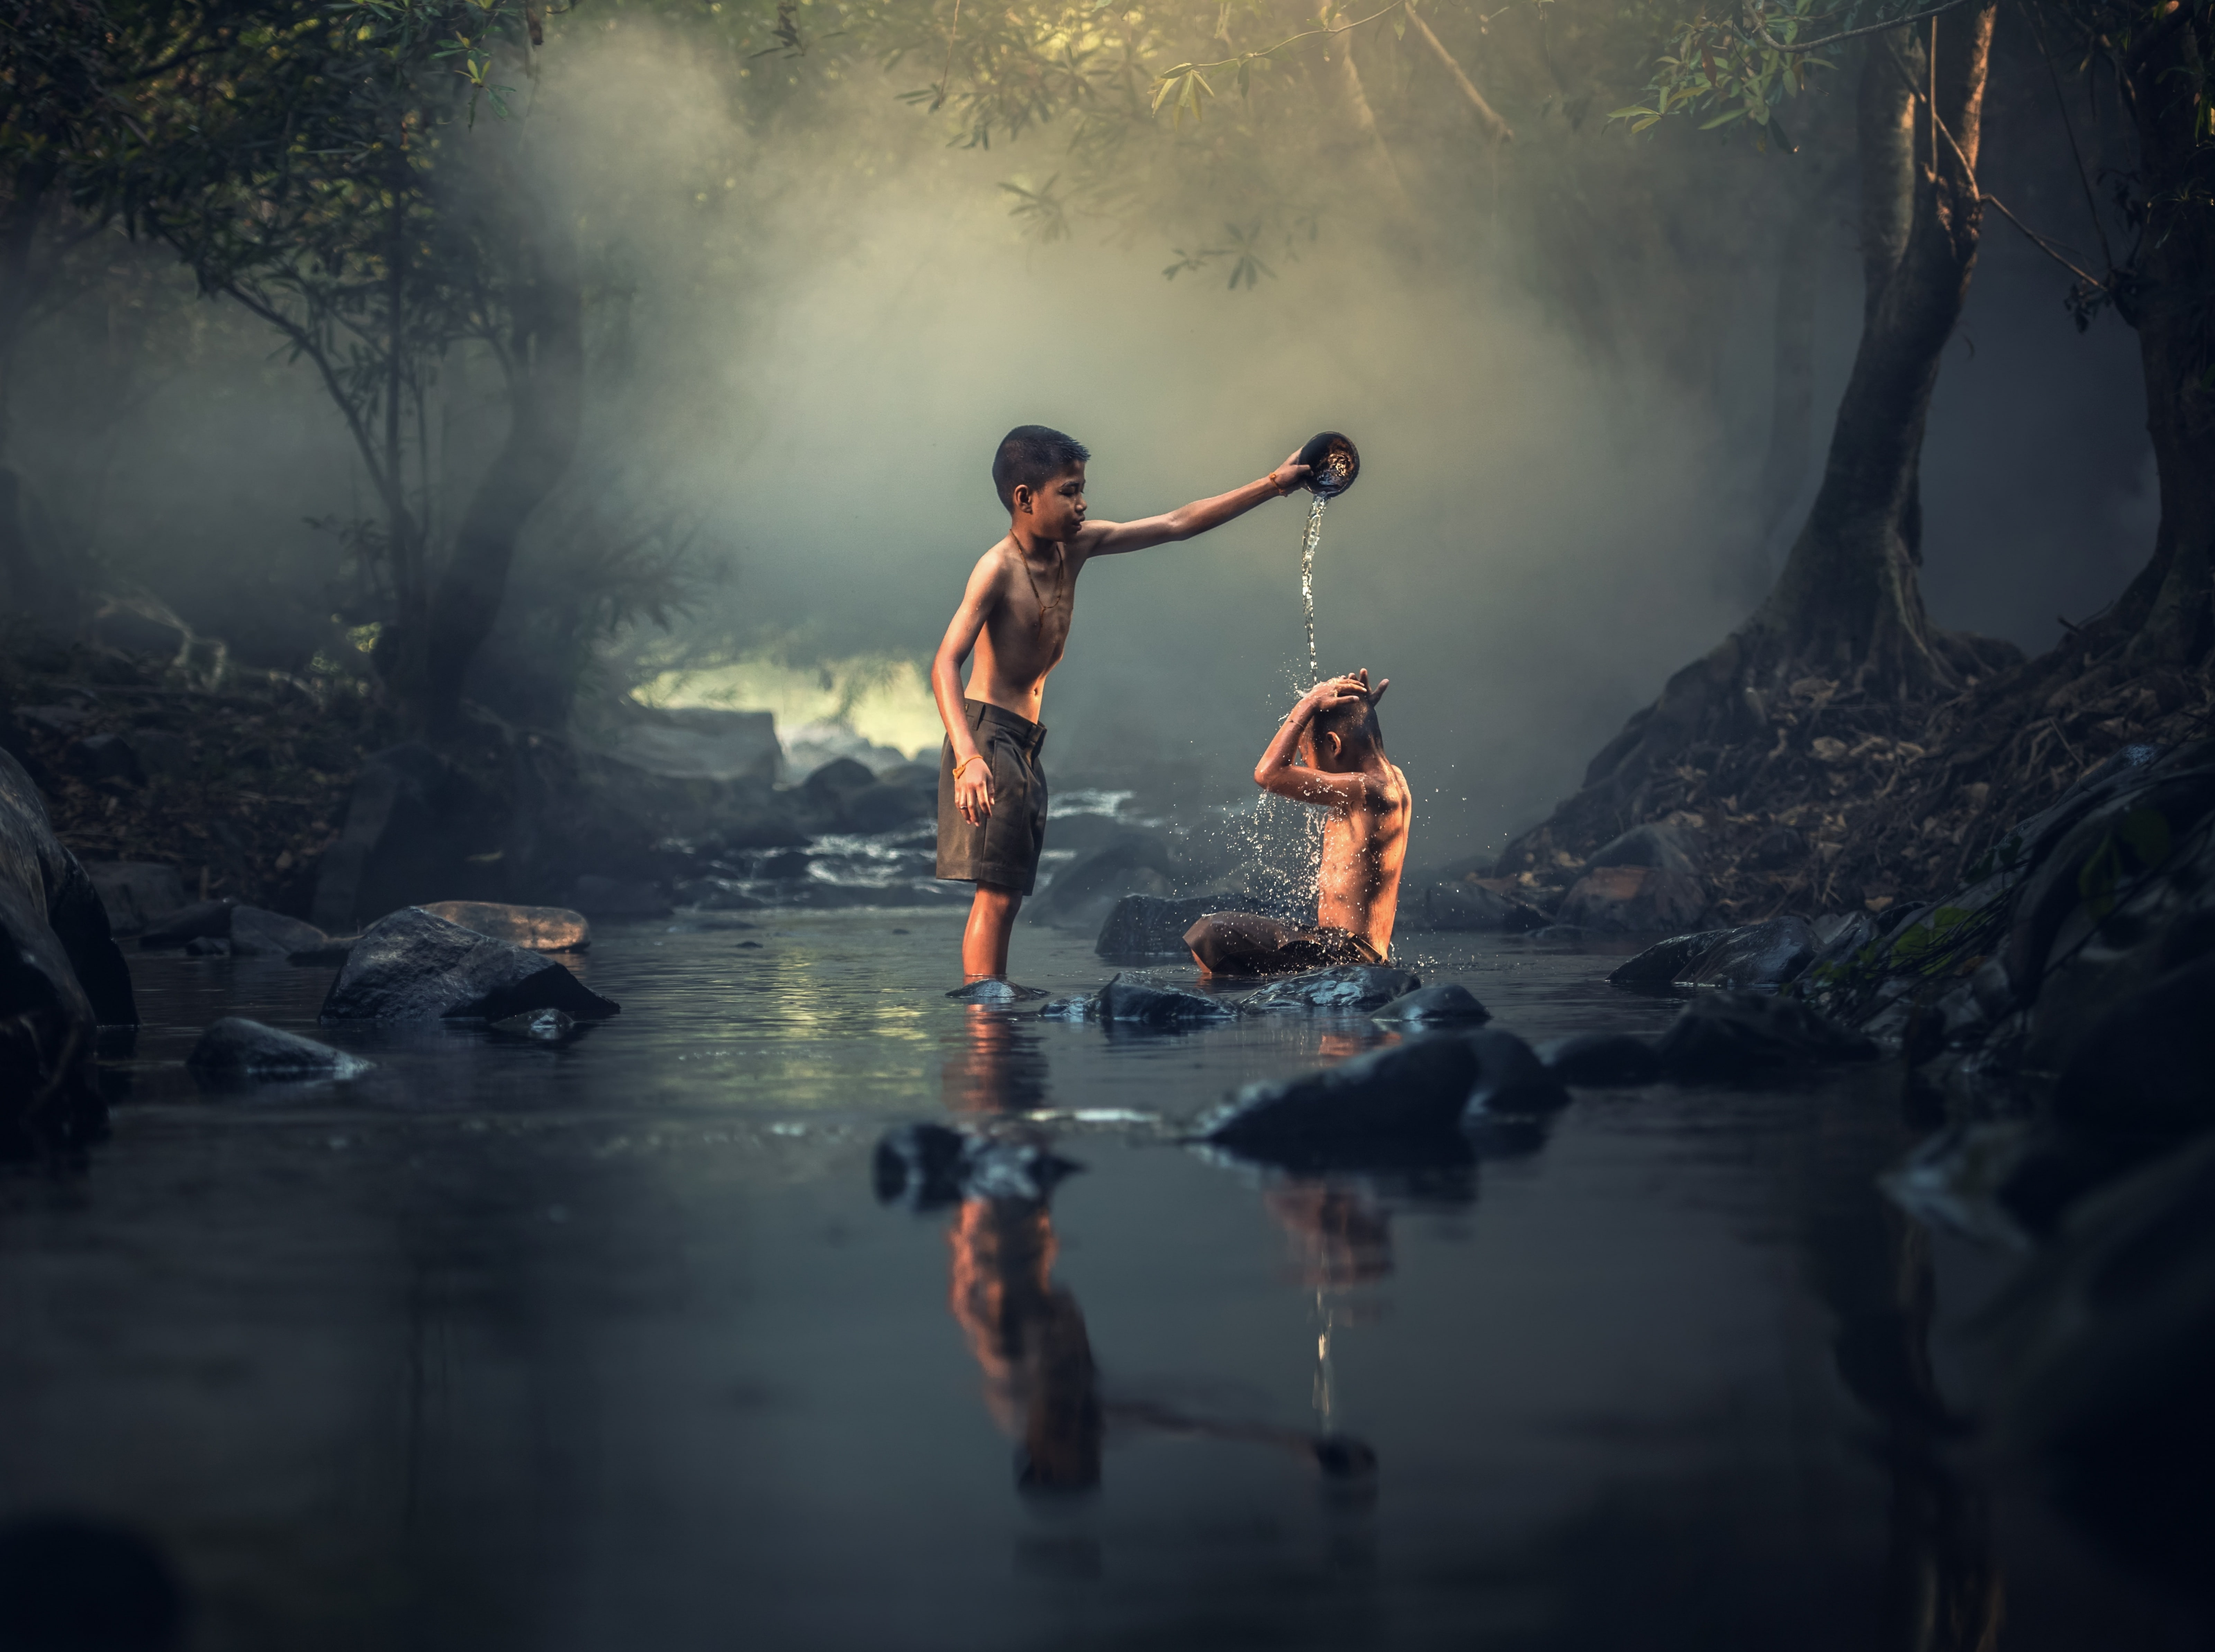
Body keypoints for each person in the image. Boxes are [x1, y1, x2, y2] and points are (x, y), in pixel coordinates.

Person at [932, 425, 1314, 980]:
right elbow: (945, 662)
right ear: (1024, 498)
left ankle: (992, 1008)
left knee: (1009, 891)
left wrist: (1274, 485)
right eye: (1069, 491)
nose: (1083, 503)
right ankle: (984, 1018)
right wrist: (968, 758)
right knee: (995, 895)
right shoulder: (997, 569)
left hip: (1023, 740)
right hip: (987, 737)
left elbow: (1178, 523)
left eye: (1082, 488)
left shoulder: (1077, 546)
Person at [1185, 669, 1409, 976]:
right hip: (1347, 949)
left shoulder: (1370, 790)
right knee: (1221, 939)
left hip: (1347, 953)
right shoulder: (1393, 781)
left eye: (1305, 756)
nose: (1305, 768)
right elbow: (1360, 740)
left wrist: (1308, 705)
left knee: (1208, 933)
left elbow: (1269, 774)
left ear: (1334, 746)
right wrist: (1360, 711)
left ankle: (1221, 1010)